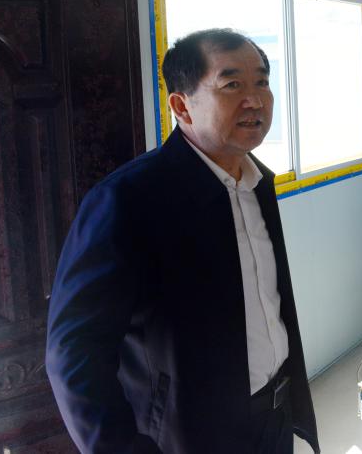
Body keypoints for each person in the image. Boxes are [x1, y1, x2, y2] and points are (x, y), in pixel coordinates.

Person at [46, 28, 319, 454]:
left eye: (262, 82)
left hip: (273, 416)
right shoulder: (128, 199)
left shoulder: (256, 182)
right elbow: (73, 354)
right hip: (191, 435)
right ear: (181, 105)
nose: (255, 100)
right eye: (232, 85)